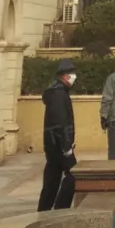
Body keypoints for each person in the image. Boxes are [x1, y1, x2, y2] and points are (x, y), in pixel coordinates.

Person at [37, 58, 77, 211]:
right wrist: (66, 146)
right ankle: (60, 208)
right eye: (72, 74)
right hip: (59, 144)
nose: (74, 77)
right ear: (65, 76)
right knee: (74, 175)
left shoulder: (57, 92)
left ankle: (44, 210)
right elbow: (61, 122)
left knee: (52, 180)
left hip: (53, 143)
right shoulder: (59, 94)